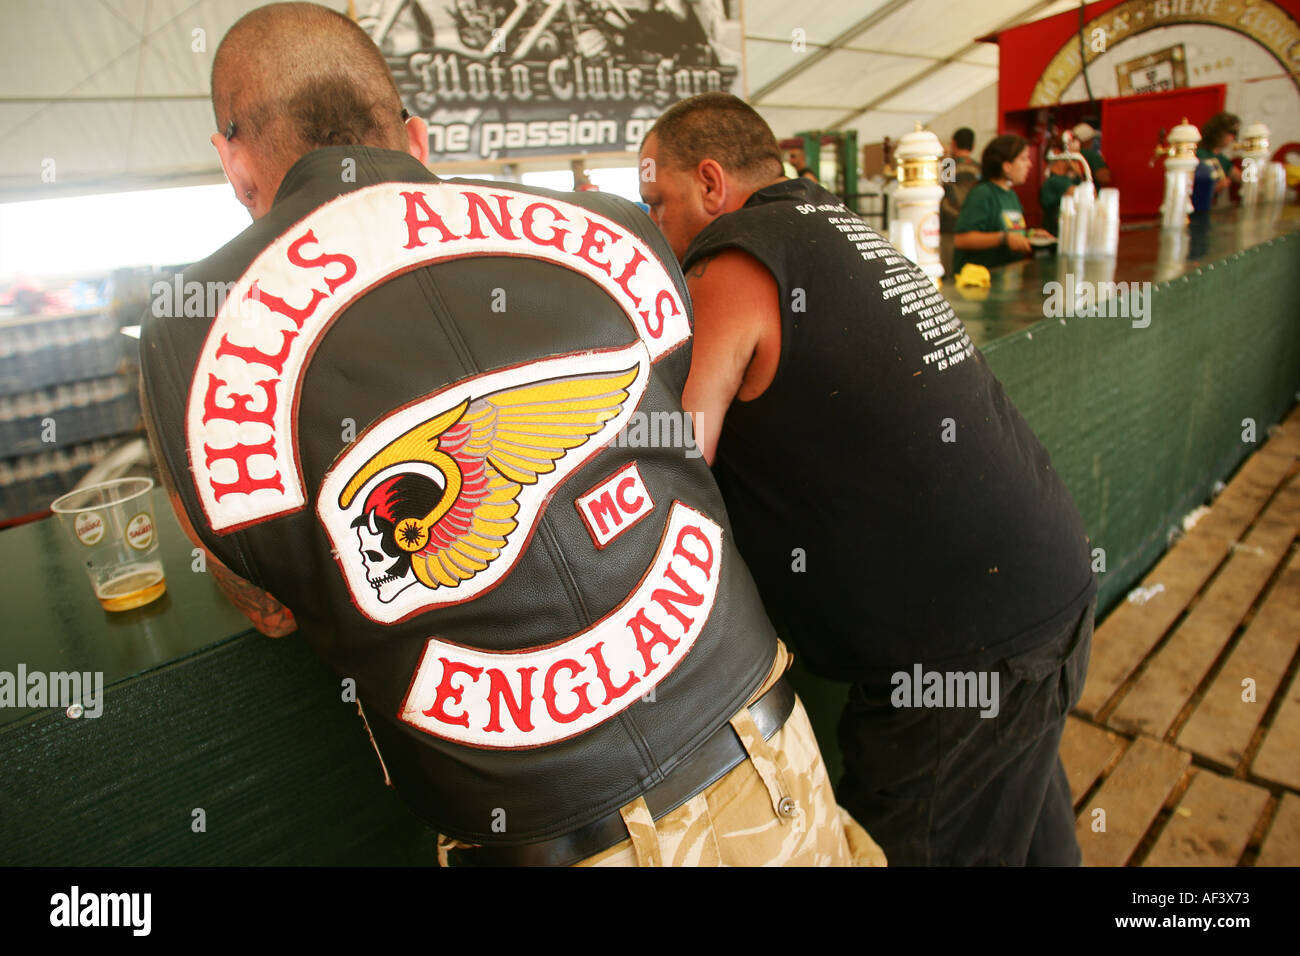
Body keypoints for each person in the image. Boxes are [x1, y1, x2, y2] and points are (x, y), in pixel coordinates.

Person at [138, 2, 883, 868]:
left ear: (235, 162)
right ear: (413, 135)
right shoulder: (611, 224)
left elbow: (267, 604)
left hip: (544, 837)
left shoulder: (187, 335)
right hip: (761, 743)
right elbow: (671, 436)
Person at [639, 92, 1097, 865]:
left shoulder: (733, 256)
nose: (655, 225)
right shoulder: (845, 225)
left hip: (960, 662)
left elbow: (677, 457)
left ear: (711, 184)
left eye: (659, 202)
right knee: (1029, 838)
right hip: (1046, 604)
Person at [952, 134, 1049, 272]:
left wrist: (1030, 234)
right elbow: (961, 240)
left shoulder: (1011, 195)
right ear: (1007, 166)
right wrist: (1004, 239)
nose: (1029, 164)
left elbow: (1009, 230)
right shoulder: (983, 193)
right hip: (980, 283)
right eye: (1023, 159)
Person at [939, 127, 982, 233]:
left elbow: (944, 191)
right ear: (973, 146)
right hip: (973, 223)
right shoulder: (979, 167)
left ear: (953, 143)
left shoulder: (948, 165)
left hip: (950, 224)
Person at [1040, 136, 1081, 237]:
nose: (1076, 156)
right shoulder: (1054, 182)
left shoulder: (1070, 180)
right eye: (1073, 152)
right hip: (1055, 238)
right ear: (1057, 153)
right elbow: (1085, 196)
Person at [1198, 111, 1242, 196]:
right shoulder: (1200, 154)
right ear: (1218, 132)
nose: (1233, 137)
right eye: (1231, 132)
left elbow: (1242, 179)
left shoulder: (1222, 159)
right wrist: (1216, 187)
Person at [1072, 123, 1111, 188]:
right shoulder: (1092, 156)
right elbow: (1104, 179)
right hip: (1088, 195)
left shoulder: (1067, 155)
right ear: (1088, 140)